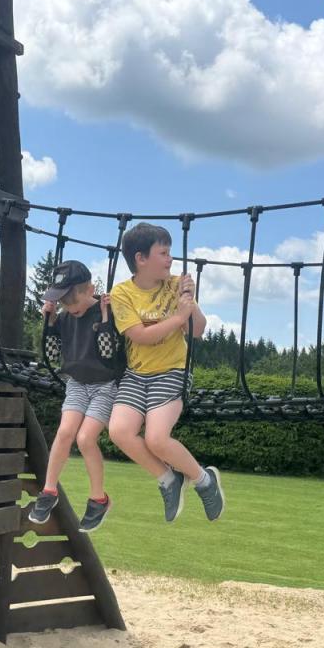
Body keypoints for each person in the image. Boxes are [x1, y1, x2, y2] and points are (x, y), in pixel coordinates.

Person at [107, 222, 226, 522]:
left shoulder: (175, 285)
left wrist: (190, 303)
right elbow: (140, 336)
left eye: (170, 252)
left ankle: (204, 481)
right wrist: (177, 317)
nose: (170, 259)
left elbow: (197, 330)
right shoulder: (122, 293)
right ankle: (168, 478)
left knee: (156, 439)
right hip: (136, 375)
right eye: (163, 253)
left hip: (171, 371)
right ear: (141, 258)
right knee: (119, 431)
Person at [28, 260, 125, 532]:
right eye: (64, 306)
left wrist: (105, 319)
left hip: (105, 385)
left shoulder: (106, 312)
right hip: (77, 384)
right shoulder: (65, 317)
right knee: (64, 433)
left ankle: (99, 499)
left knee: (85, 439)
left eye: (75, 305)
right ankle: (49, 491)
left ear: (90, 290)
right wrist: (49, 320)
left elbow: (108, 355)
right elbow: (52, 354)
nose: (71, 310)